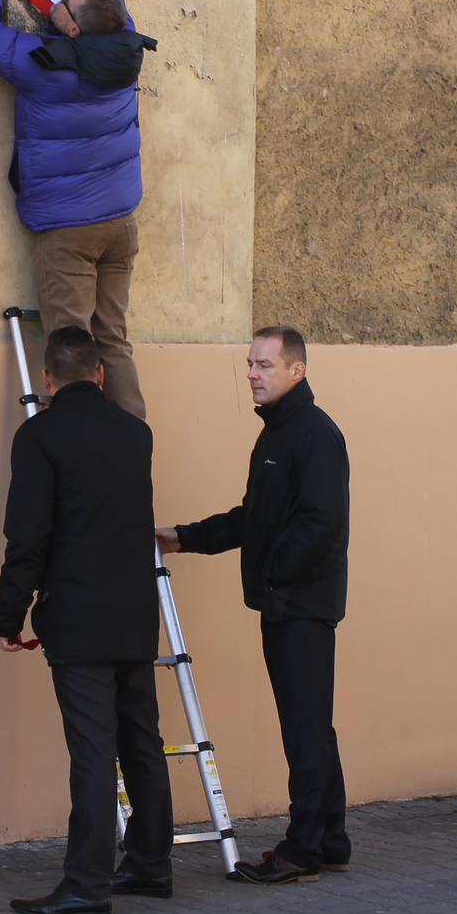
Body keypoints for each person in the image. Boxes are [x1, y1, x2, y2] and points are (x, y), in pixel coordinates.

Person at [157, 326, 352, 885]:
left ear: (298, 370)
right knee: (311, 724)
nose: (252, 374)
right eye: (250, 364)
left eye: (264, 366)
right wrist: (183, 536)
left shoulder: (314, 434)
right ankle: (330, 839)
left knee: (305, 729)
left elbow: (322, 523)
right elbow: (254, 518)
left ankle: (303, 850)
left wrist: (273, 573)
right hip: (283, 601)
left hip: (302, 605)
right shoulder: (274, 437)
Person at [0, 326, 173, 914]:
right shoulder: (135, 434)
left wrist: (8, 613)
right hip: (134, 612)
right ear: (99, 373)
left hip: (78, 618)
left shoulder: (39, 436)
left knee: (93, 751)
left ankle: (87, 885)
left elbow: (28, 536)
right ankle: (150, 864)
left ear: (47, 379)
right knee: (140, 740)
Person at [0, 0, 157, 421]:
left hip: (69, 230)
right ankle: (131, 446)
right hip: (120, 224)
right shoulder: (127, 45)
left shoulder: (45, 67)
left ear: (71, 27)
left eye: (64, 4)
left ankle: (76, 452)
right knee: (112, 340)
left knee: (70, 347)